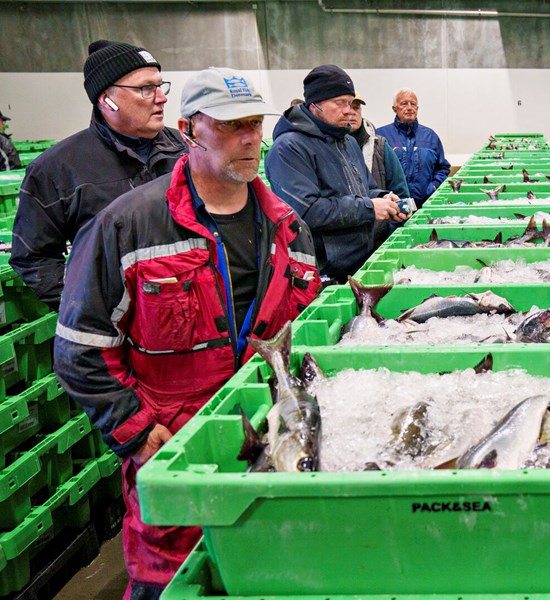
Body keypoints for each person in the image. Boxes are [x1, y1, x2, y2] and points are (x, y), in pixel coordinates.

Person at [53, 67, 322, 600]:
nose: (249, 138)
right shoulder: (127, 225)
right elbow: (80, 349)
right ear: (187, 129)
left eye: (254, 124)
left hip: (272, 451)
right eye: (229, 125)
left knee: (268, 576)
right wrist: (133, 427)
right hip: (176, 451)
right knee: (172, 584)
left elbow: (308, 342)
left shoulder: (291, 228)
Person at [10, 40, 186, 310]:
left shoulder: (186, 151)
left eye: (160, 86)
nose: (161, 97)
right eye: (146, 88)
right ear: (107, 100)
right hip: (117, 333)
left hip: (193, 319)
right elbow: (34, 257)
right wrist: (85, 310)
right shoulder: (57, 169)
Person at [266, 65, 408, 283]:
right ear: (315, 104)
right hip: (322, 276)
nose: (348, 110)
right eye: (340, 103)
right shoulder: (289, 148)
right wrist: (370, 208)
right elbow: (307, 212)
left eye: (350, 103)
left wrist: (382, 198)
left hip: (360, 263)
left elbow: (366, 188)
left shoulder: (347, 142)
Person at [343, 96, 410, 248]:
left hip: (378, 242)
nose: (351, 112)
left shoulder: (380, 146)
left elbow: (401, 193)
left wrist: (388, 237)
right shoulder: (329, 149)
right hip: (344, 249)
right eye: (347, 106)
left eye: (356, 108)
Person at [376, 88, 450, 208]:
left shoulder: (430, 136)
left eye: (413, 104)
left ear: (417, 108)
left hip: (425, 207)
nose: (409, 107)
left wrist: (433, 187)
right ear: (394, 108)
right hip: (392, 210)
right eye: (404, 104)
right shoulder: (381, 136)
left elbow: (443, 168)